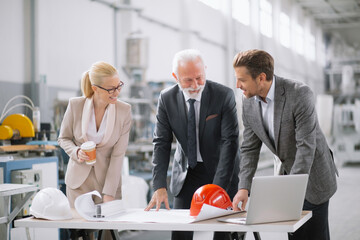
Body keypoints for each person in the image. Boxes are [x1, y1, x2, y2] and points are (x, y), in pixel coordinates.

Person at [232, 49, 338, 240]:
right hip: (287, 172)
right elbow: (249, 149)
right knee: (294, 234)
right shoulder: (248, 102)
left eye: (242, 79)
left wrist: (290, 192)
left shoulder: (299, 94)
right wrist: (243, 187)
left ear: (261, 78)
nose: (238, 85)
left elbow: (306, 147)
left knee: (314, 235)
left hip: (315, 176)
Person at [145, 49, 240, 240]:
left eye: (199, 77)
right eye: (188, 80)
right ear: (175, 77)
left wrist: (218, 189)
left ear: (205, 70)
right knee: (180, 231)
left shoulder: (223, 95)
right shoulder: (167, 99)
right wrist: (159, 185)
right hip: (187, 173)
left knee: (223, 234)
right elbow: (161, 143)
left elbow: (230, 142)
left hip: (221, 171)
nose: (195, 85)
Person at [58, 61, 132, 207]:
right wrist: (75, 151)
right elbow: (63, 138)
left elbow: (118, 155)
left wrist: (109, 192)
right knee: (79, 228)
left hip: (107, 183)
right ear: (95, 89)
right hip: (78, 183)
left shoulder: (124, 111)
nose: (117, 92)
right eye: (111, 89)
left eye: (119, 86)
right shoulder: (75, 105)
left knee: (108, 229)